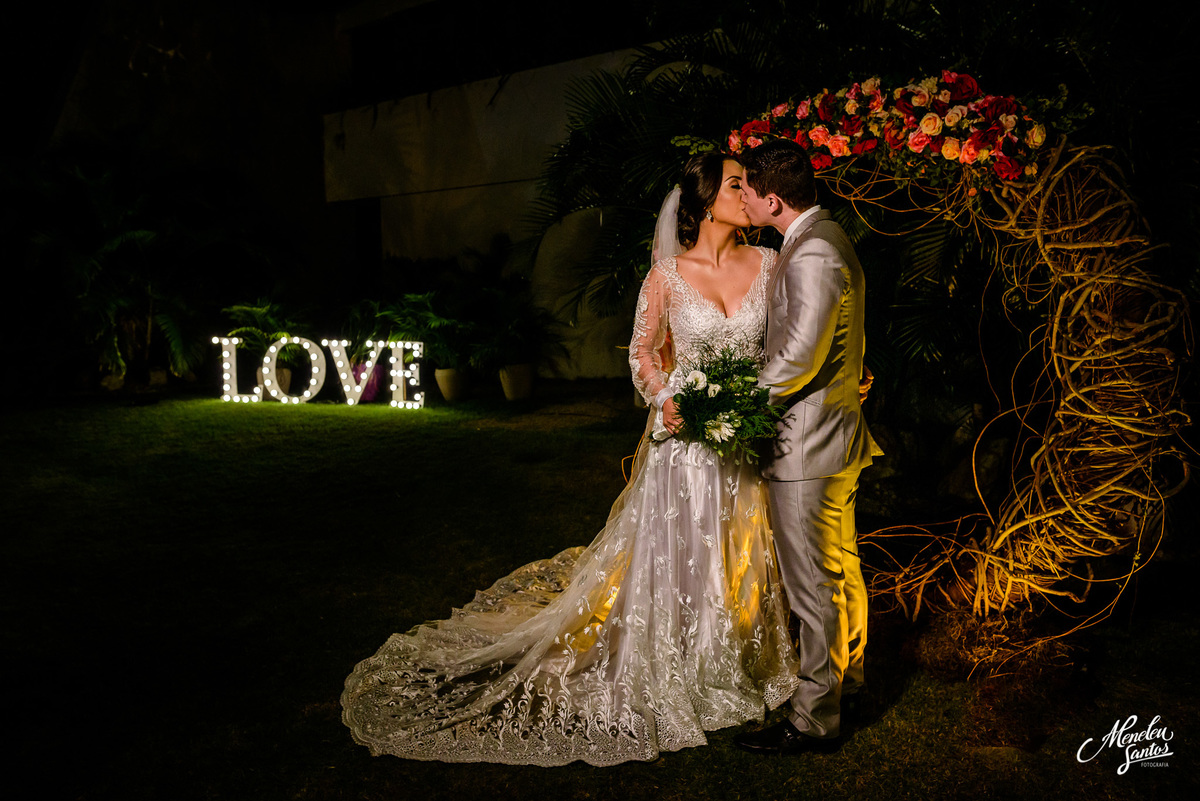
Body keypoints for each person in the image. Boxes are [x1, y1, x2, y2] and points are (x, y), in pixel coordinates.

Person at [341, 152, 801, 766]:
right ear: (701, 201)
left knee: (735, 551)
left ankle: (730, 655)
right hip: (681, 447)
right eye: (737, 183)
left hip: (742, 444)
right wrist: (664, 397)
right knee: (681, 554)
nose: (749, 192)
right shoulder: (666, 275)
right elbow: (642, 352)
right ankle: (676, 659)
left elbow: (789, 344)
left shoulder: (770, 264)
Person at [734, 138, 881, 755]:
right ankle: (847, 681)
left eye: (746, 188)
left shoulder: (813, 251)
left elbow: (799, 356)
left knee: (812, 584)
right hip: (829, 437)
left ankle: (815, 714)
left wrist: (738, 412)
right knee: (837, 569)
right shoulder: (828, 236)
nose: (741, 196)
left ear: (773, 199)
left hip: (806, 444)